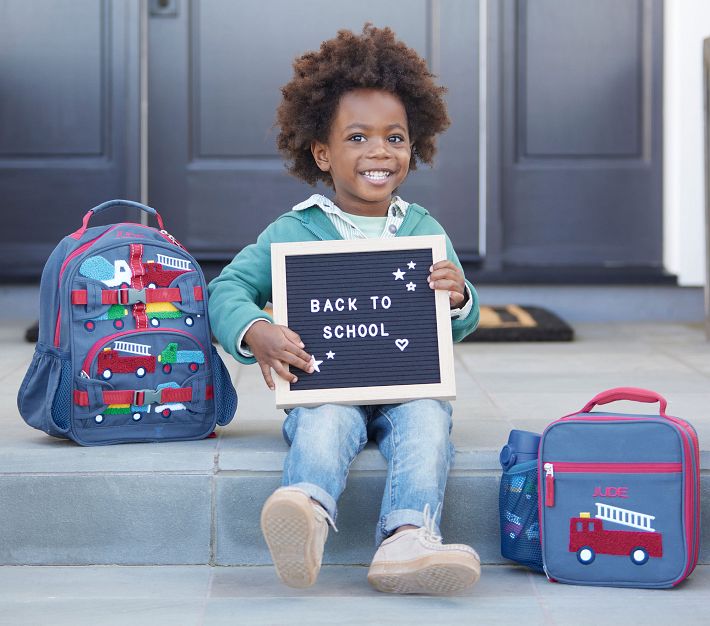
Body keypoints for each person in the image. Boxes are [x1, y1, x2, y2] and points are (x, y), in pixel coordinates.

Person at [208, 24, 480, 595]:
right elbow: (227, 290)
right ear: (323, 152)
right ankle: (303, 511)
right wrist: (255, 329)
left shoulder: (423, 230)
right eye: (358, 137)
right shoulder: (294, 229)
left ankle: (408, 539)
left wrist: (458, 298)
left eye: (396, 138)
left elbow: (460, 321)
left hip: (406, 385)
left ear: (415, 146)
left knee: (430, 418)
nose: (379, 151)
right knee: (326, 419)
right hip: (325, 383)